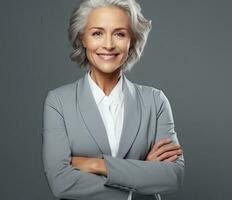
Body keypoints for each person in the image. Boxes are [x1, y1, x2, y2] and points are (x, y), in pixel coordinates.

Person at [42, 0, 184, 199]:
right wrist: (142, 173)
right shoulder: (58, 102)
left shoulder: (155, 101)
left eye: (119, 34)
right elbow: (61, 183)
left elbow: (173, 176)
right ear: (83, 38)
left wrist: (95, 164)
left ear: (131, 41)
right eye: (97, 33)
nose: (108, 45)